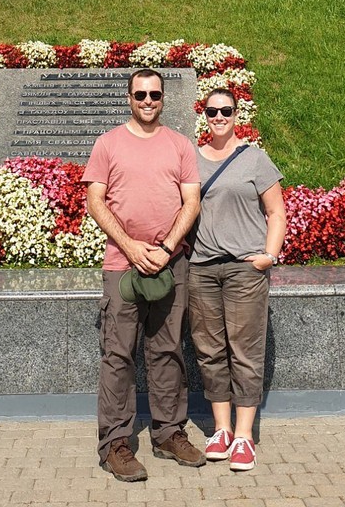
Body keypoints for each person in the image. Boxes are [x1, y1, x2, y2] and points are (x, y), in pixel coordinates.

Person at [82, 67, 206, 482]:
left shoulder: (180, 146)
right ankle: (116, 444)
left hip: (171, 264)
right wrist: (132, 246)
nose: (148, 101)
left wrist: (167, 247)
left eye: (155, 94)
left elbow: (191, 201)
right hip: (122, 266)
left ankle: (169, 433)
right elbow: (95, 200)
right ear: (129, 97)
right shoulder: (108, 144)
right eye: (140, 94)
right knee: (118, 356)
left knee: (167, 351)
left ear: (163, 98)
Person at [188, 87, 287, 472]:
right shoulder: (191, 160)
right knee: (210, 351)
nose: (218, 117)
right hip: (202, 269)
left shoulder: (255, 159)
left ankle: (245, 436)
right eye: (212, 111)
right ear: (204, 114)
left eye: (225, 110)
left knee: (244, 350)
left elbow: (276, 212)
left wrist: (268, 257)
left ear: (236, 113)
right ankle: (222, 429)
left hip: (245, 270)